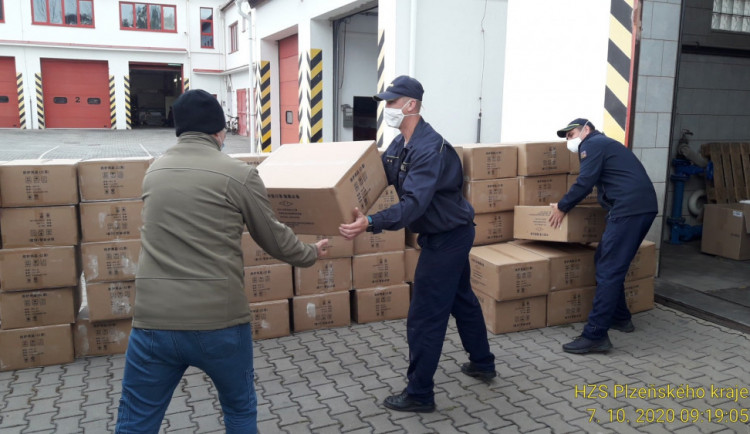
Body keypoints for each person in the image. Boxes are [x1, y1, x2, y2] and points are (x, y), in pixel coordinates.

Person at [115, 89, 328, 434]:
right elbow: (272, 237)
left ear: (179, 130)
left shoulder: (154, 172)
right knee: (239, 409)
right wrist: (310, 253)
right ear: (219, 131)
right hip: (219, 322)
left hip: (153, 322)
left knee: (136, 419)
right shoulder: (238, 174)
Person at [339, 75, 496, 413]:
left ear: (410, 105)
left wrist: (370, 222)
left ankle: (420, 393)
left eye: (392, 103)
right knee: (462, 301)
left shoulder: (430, 149)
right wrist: (340, 198)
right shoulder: (400, 145)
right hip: (447, 233)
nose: (387, 109)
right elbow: (375, 177)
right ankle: (483, 362)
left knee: (425, 315)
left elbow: (413, 205)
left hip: (448, 238)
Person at [550, 118, 657, 354]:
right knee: (606, 262)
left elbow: (585, 182)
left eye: (572, 134)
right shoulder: (605, 145)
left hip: (629, 209)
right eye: (566, 137)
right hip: (637, 207)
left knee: (609, 269)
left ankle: (595, 334)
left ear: (586, 129)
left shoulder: (593, 144)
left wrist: (562, 206)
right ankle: (620, 318)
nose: (570, 140)